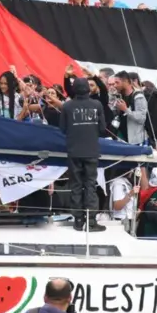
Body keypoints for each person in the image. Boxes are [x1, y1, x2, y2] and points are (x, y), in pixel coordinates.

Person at [59, 77, 104, 232]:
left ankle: (78, 221)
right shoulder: (97, 105)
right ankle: (91, 222)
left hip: (74, 151)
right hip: (91, 151)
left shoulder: (67, 106)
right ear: (88, 89)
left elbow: (63, 129)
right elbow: (103, 128)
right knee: (90, 185)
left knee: (76, 185)